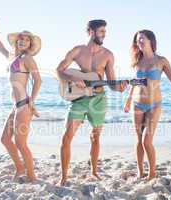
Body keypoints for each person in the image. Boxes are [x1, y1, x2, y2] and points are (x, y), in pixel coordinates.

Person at [57, 19, 127, 186]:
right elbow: (59, 71)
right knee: (67, 137)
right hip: (79, 99)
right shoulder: (77, 50)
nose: (104, 34)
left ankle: (94, 171)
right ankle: (63, 177)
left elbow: (111, 82)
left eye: (104, 31)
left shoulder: (108, 55)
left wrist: (119, 87)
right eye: (101, 31)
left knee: (95, 137)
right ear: (91, 32)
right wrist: (73, 78)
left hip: (99, 100)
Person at [124, 29, 171, 180]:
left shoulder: (161, 61)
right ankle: (140, 171)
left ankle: (152, 173)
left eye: (142, 39)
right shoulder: (137, 60)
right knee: (138, 139)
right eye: (137, 40)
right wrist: (128, 100)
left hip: (154, 105)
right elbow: (135, 81)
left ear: (151, 41)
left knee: (147, 141)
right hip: (137, 104)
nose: (139, 42)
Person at [0, 19, 42, 182]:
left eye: (27, 40)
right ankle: (20, 168)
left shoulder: (27, 58)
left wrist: (32, 101)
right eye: (21, 38)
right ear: (17, 41)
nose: (23, 41)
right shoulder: (13, 57)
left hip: (24, 105)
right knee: (5, 140)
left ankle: (32, 177)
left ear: (29, 44)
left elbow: (38, 80)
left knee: (21, 143)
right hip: (15, 106)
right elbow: (0, 48)